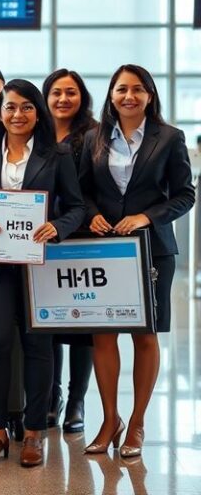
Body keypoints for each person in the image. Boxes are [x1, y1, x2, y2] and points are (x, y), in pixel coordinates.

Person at [0, 79, 85, 468]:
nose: (18, 115)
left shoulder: (58, 154)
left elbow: (77, 207)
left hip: (39, 266)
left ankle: (34, 432)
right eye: (10, 107)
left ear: (38, 112)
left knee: (38, 348)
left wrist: (58, 227)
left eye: (27, 107)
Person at [79, 64, 195, 457]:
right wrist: (90, 212)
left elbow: (185, 195)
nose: (129, 96)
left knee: (144, 335)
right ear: (111, 95)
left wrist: (147, 216)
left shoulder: (170, 138)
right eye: (121, 89)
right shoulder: (94, 137)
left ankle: (138, 422)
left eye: (137, 89)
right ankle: (110, 419)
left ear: (149, 95)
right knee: (103, 335)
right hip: (105, 247)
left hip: (152, 249)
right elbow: (82, 190)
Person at [41, 68, 98, 433]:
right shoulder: (37, 134)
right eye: (56, 92)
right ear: (46, 97)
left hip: (82, 237)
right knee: (48, 320)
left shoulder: (95, 136)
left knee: (83, 325)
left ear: (82, 98)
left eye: (71, 93)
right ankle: (52, 396)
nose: (63, 99)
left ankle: (76, 402)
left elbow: (100, 188)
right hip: (43, 238)